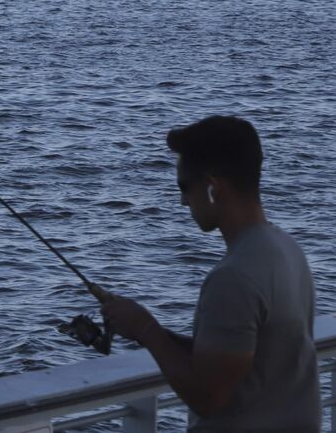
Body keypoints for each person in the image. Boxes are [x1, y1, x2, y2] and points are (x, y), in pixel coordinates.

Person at [101, 115, 320, 433]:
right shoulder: (286, 249)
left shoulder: (234, 277)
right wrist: (151, 331)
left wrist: (147, 329)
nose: (182, 201)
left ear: (213, 187)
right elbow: (243, 357)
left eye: (184, 187)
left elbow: (207, 397)